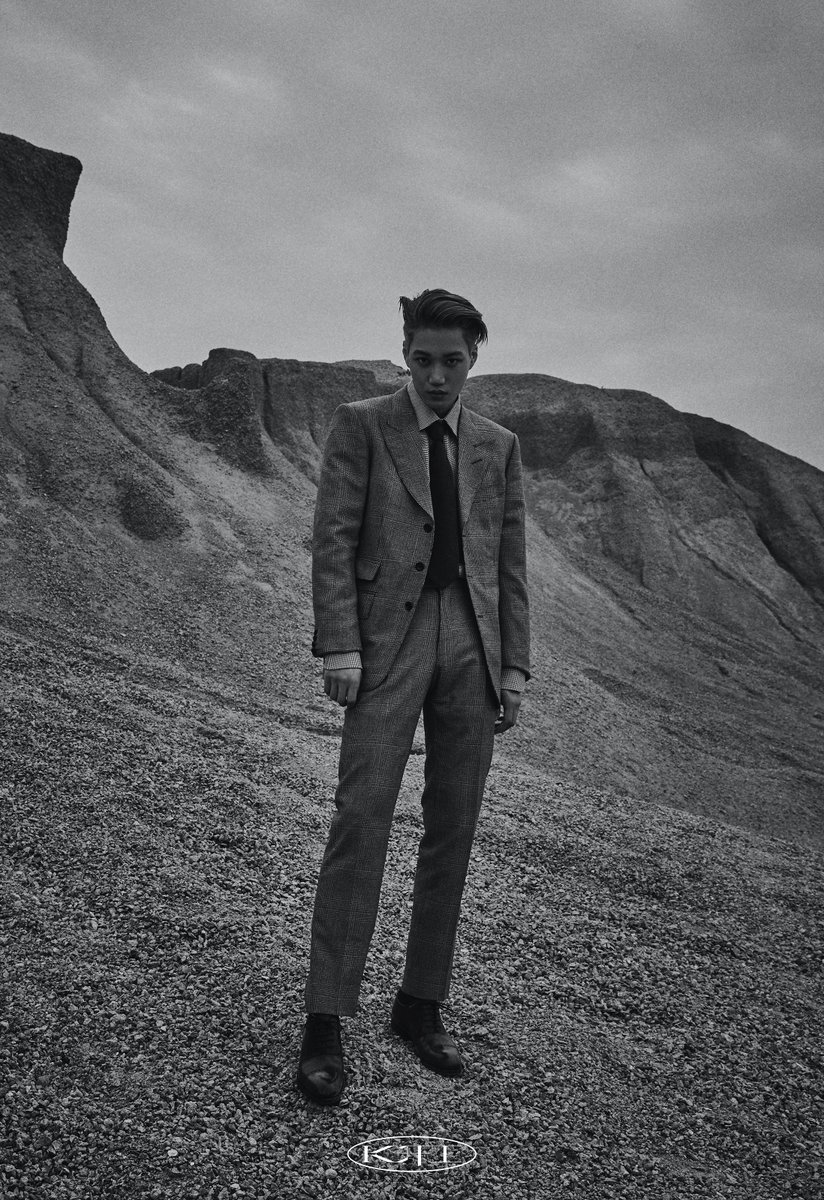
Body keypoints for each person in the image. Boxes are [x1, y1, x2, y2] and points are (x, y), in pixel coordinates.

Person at [297, 288, 530, 1105]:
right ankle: (325, 1020)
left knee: (454, 827)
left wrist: (513, 668)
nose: (436, 376)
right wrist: (341, 644)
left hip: (473, 644)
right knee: (360, 820)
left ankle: (420, 1005)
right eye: (423, 359)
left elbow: (509, 562)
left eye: (452, 361)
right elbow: (333, 538)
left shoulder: (498, 445)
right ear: (405, 354)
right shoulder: (363, 423)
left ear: (473, 360)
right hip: (385, 645)